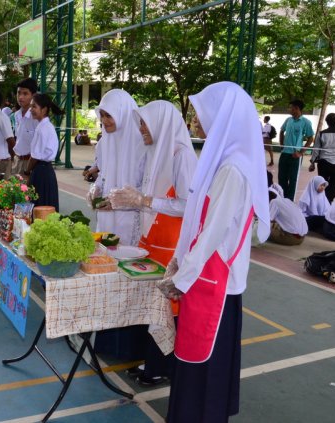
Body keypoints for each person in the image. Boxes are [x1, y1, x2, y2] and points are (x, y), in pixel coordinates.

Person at [159, 82, 270, 422]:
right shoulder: (222, 160)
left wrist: (183, 274)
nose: (194, 118)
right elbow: (198, 221)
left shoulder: (234, 170)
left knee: (206, 360)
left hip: (215, 283)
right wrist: (180, 261)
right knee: (197, 359)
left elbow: (213, 233)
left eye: (200, 112)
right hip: (205, 274)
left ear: (223, 116)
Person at [108, 100, 198, 385]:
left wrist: (144, 200)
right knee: (153, 304)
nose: (141, 129)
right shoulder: (156, 152)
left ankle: (163, 367)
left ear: (161, 123)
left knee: (167, 308)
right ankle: (152, 361)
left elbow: (187, 204)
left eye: (145, 123)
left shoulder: (181, 155)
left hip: (170, 242)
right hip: (153, 239)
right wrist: (134, 196)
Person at [87, 88, 143, 246]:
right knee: (104, 258)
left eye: (109, 115)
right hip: (105, 218)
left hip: (130, 220)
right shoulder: (104, 143)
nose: (105, 121)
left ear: (123, 113)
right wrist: (95, 190)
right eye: (102, 116)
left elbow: (147, 185)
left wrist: (122, 201)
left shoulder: (142, 145)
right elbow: (103, 175)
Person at [24, 93, 61, 211]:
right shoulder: (44, 126)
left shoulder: (43, 128)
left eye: (34, 106)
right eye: (31, 106)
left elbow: (35, 156)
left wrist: (27, 172)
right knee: (44, 207)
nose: (31, 110)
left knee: (40, 207)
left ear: (44, 109)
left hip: (41, 172)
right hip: (44, 171)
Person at [278, 99, 315, 201]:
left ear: (297, 108)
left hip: (295, 156)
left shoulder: (306, 122)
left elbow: (310, 138)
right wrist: (282, 146)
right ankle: (282, 200)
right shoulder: (288, 120)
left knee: (293, 179)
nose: (289, 109)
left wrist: (300, 153)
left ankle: (290, 202)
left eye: (291, 108)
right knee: (282, 178)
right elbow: (281, 131)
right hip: (284, 154)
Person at [309, 113, 335, 203]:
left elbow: (316, 149)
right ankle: (329, 201)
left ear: (327, 122)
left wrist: (312, 163)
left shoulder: (321, 133)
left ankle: (321, 201)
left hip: (323, 163)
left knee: (322, 183)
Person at [12, 78, 38, 178]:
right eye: (19, 93)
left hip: (30, 164)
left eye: (25, 93)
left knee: (29, 193)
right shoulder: (16, 115)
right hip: (17, 161)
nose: (20, 97)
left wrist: (28, 170)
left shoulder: (36, 118)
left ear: (33, 96)